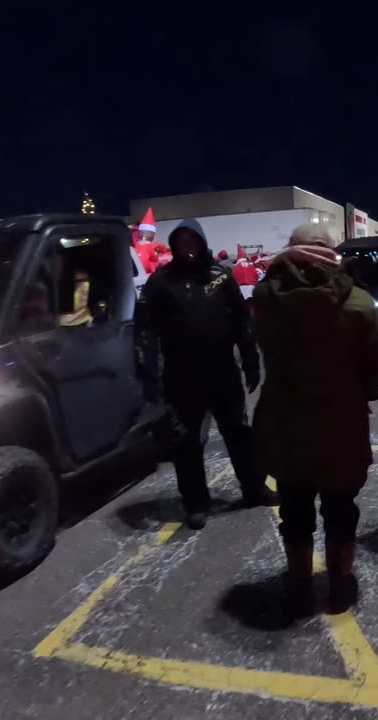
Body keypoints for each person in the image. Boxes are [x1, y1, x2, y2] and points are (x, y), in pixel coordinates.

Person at [253, 224, 378, 614]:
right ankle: (337, 588)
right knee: (340, 510)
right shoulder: (358, 303)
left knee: (295, 511)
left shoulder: (266, 298)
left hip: (286, 424)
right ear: (330, 253)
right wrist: (363, 389)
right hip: (341, 425)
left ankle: (299, 587)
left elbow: (261, 341)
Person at [140, 218, 277, 529]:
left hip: (223, 373)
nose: (187, 247)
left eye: (193, 241)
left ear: (201, 243)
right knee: (186, 442)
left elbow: (242, 321)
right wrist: (149, 375)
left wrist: (251, 359)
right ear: (174, 245)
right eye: (181, 241)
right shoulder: (161, 282)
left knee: (239, 434)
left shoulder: (219, 277)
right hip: (181, 377)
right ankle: (196, 502)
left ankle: (254, 488)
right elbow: (145, 331)